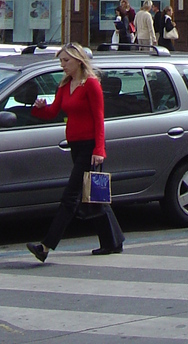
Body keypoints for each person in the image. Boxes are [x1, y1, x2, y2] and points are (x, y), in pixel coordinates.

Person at [26, 43, 124, 262]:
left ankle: (46, 246)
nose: (63, 65)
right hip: (75, 145)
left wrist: (99, 149)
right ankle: (113, 242)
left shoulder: (91, 85)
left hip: (90, 147)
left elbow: (99, 118)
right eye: (61, 61)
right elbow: (53, 112)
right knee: (94, 195)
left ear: (79, 61)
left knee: (71, 197)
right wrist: (38, 107)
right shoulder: (64, 85)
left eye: (66, 61)